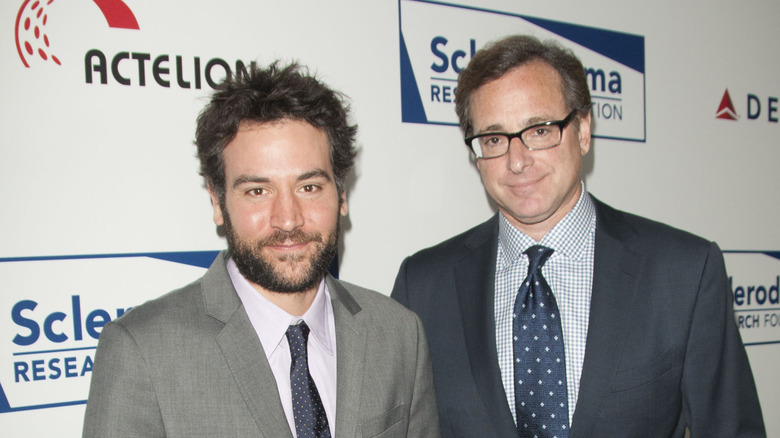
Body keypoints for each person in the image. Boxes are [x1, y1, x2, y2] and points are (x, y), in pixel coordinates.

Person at [391, 35, 765, 437]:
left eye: (539, 130)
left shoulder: (684, 273)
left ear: (583, 130)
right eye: (494, 140)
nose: (518, 161)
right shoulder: (423, 286)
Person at [83, 62, 440, 438]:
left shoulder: (399, 333)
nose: (288, 219)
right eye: (258, 191)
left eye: (309, 187)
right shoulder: (142, 352)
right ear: (218, 202)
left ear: (342, 194)